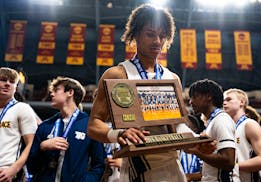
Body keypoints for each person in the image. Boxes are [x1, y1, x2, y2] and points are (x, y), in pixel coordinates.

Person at [88, 4, 214, 182]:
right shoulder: (117, 74)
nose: (157, 41)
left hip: (172, 166)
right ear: (135, 34)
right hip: (136, 166)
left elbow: (178, 126)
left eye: (162, 36)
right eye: (150, 34)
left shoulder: (172, 78)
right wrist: (119, 134)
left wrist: (196, 142)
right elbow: (93, 125)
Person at [27, 77, 105, 181]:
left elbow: (99, 164)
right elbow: (31, 168)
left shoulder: (90, 125)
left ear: (70, 92)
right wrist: (42, 147)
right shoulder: (45, 126)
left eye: (56, 90)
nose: (51, 94)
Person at [185, 79, 239, 181]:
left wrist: (196, 151)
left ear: (209, 96)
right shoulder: (213, 121)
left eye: (194, 97)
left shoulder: (221, 120)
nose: (190, 101)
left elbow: (228, 161)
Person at [223, 88, 261, 182]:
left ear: (241, 102)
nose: (224, 103)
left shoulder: (249, 124)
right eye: (223, 100)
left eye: (228, 99)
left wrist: (233, 166)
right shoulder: (227, 128)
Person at [0, 67, 38, 182]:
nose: (7, 84)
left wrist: (14, 169)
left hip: (4, 172)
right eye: (3, 80)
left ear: (16, 88)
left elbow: (31, 144)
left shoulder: (22, 108)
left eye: (12, 82)